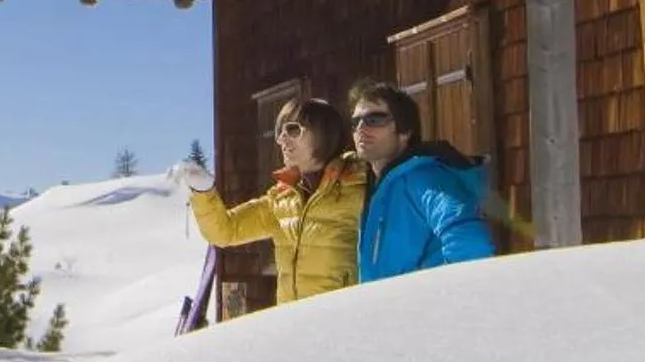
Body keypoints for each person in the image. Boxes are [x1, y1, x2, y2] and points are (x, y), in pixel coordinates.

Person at [173, 96, 365, 302]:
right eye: (279, 132)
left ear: (324, 134)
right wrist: (203, 192)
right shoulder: (280, 201)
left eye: (293, 130)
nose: (282, 139)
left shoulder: (357, 187)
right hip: (295, 323)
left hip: (343, 320)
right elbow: (224, 230)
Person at [348, 82, 496, 281]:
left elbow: (472, 245)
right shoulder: (378, 188)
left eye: (374, 120)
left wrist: (432, 297)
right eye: (355, 122)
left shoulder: (425, 178)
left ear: (405, 131)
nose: (361, 129)